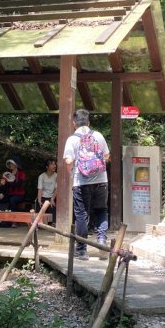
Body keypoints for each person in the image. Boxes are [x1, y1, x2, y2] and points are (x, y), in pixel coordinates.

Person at [63, 109, 110, 260]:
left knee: (82, 214)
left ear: (74, 124)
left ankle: (82, 250)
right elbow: (106, 156)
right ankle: (102, 241)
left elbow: (69, 161)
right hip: (101, 180)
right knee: (101, 209)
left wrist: (73, 173)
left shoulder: (72, 139)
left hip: (81, 181)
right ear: (89, 123)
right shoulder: (98, 135)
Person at [36, 158, 57, 225]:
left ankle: (53, 222)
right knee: (38, 204)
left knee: (53, 205)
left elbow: (57, 189)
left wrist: (52, 198)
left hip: (53, 196)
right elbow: (40, 189)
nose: (54, 166)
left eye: (55, 164)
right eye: (52, 164)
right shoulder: (42, 176)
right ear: (47, 167)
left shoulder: (57, 176)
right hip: (43, 196)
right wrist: (39, 200)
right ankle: (38, 222)